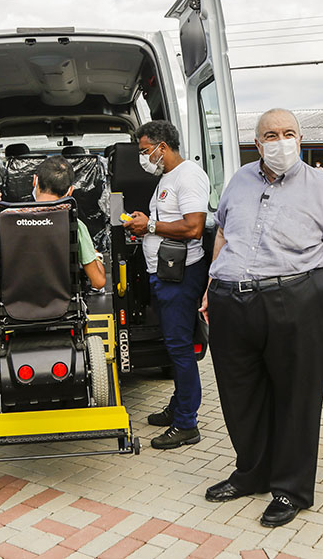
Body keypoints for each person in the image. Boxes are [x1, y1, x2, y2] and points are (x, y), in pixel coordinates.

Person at [199, 108, 323, 528]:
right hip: (231, 302)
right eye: (270, 134)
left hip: (295, 300)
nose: (280, 140)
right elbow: (223, 234)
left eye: (288, 132)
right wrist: (209, 285)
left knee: (296, 397)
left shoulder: (321, 185)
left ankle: (290, 489)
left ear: (300, 138)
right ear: (257, 143)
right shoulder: (238, 180)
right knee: (240, 395)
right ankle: (252, 472)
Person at [122, 121, 209, 450]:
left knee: (180, 349)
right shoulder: (166, 178)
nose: (144, 157)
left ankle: (187, 423)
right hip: (165, 274)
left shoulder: (188, 176)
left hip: (181, 276)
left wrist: (152, 225)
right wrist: (144, 224)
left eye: (146, 150)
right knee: (174, 347)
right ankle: (178, 407)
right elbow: (167, 224)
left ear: (163, 146)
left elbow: (194, 227)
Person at [0, 155, 105, 289]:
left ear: (35, 181)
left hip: (12, 307)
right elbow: (98, 282)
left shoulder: (4, 220)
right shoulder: (74, 225)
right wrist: (96, 256)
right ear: (70, 191)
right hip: (63, 307)